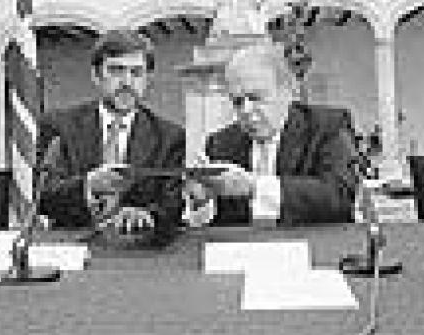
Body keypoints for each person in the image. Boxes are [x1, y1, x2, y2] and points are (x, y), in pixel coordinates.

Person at [38, 30, 186, 231]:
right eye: (116, 71)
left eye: (136, 72)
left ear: (147, 78)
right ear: (96, 75)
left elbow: (173, 204)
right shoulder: (59, 127)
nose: (127, 82)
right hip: (73, 242)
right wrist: (88, 185)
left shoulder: (170, 137)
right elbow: (43, 195)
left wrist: (147, 215)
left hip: (139, 244)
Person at [203, 43, 356, 226]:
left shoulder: (328, 126)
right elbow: (220, 221)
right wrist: (201, 201)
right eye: (237, 102)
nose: (246, 110)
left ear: (288, 92)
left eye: (255, 98)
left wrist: (255, 187)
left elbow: (340, 197)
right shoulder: (221, 143)